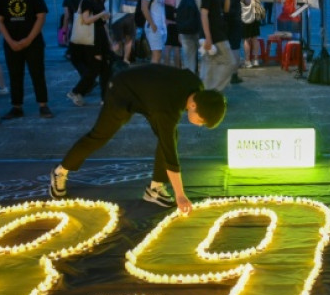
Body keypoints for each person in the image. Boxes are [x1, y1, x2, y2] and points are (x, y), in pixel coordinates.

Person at [49, 64, 227, 213]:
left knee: (171, 135)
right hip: (122, 90)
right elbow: (170, 154)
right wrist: (180, 195)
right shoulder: (167, 110)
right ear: (194, 105)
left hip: (149, 95)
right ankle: (60, 171)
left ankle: (155, 189)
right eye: (201, 121)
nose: (199, 125)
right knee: (99, 136)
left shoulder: (196, 87)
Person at [0, 0, 53, 119]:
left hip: (33, 42)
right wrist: (10, 41)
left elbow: (40, 17)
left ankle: (43, 104)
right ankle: (16, 106)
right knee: (15, 74)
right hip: (11, 42)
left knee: (37, 73)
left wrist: (29, 39)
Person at [66, 0, 112, 107]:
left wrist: (109, 39)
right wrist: (101, 14)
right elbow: (86, 20)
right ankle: (77, 91)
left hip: (101, 37)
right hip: (93, 38)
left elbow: (102, 22)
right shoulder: (86, 0)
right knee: (96, 68)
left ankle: (103, 97)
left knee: (104, 68)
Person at [200, 0, 237, 90]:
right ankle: (214, 90)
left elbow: (225, 10)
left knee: (210, 64)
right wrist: (208, 37)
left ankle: (207, 91)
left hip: (217, 32)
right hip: (215, 35)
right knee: (230, 62)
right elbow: (204, 14)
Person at [221, 0, 247, 84]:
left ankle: (222, 73)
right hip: (236, 18)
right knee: (235, 47)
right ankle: (234, 75)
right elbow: (247, 2)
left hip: (220, 19)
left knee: (220, 46)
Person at [178, 0, 205, 74]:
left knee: (188, 57)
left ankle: (190, 80)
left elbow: (177, 9)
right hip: (200, 29)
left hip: (184, 28)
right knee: (204, 56)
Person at [141, 0, 167, 64]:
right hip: (153, 27)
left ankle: (155, 76)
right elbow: (144, 7)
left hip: (161, 26)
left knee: (158, 54)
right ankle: (152, 77)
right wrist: (152, 24)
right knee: (156, 55)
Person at [237, 0, 263, 68]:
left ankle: (247, 61)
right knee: (255, 39)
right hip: (254, 16)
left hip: (244, 17)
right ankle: (256, 60)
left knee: (246, 40)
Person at [163, 0, 182, 68]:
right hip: (177, 21)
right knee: (177, 47)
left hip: (167, 21)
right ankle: (177, 69)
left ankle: (166, 67)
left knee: (168, 45)